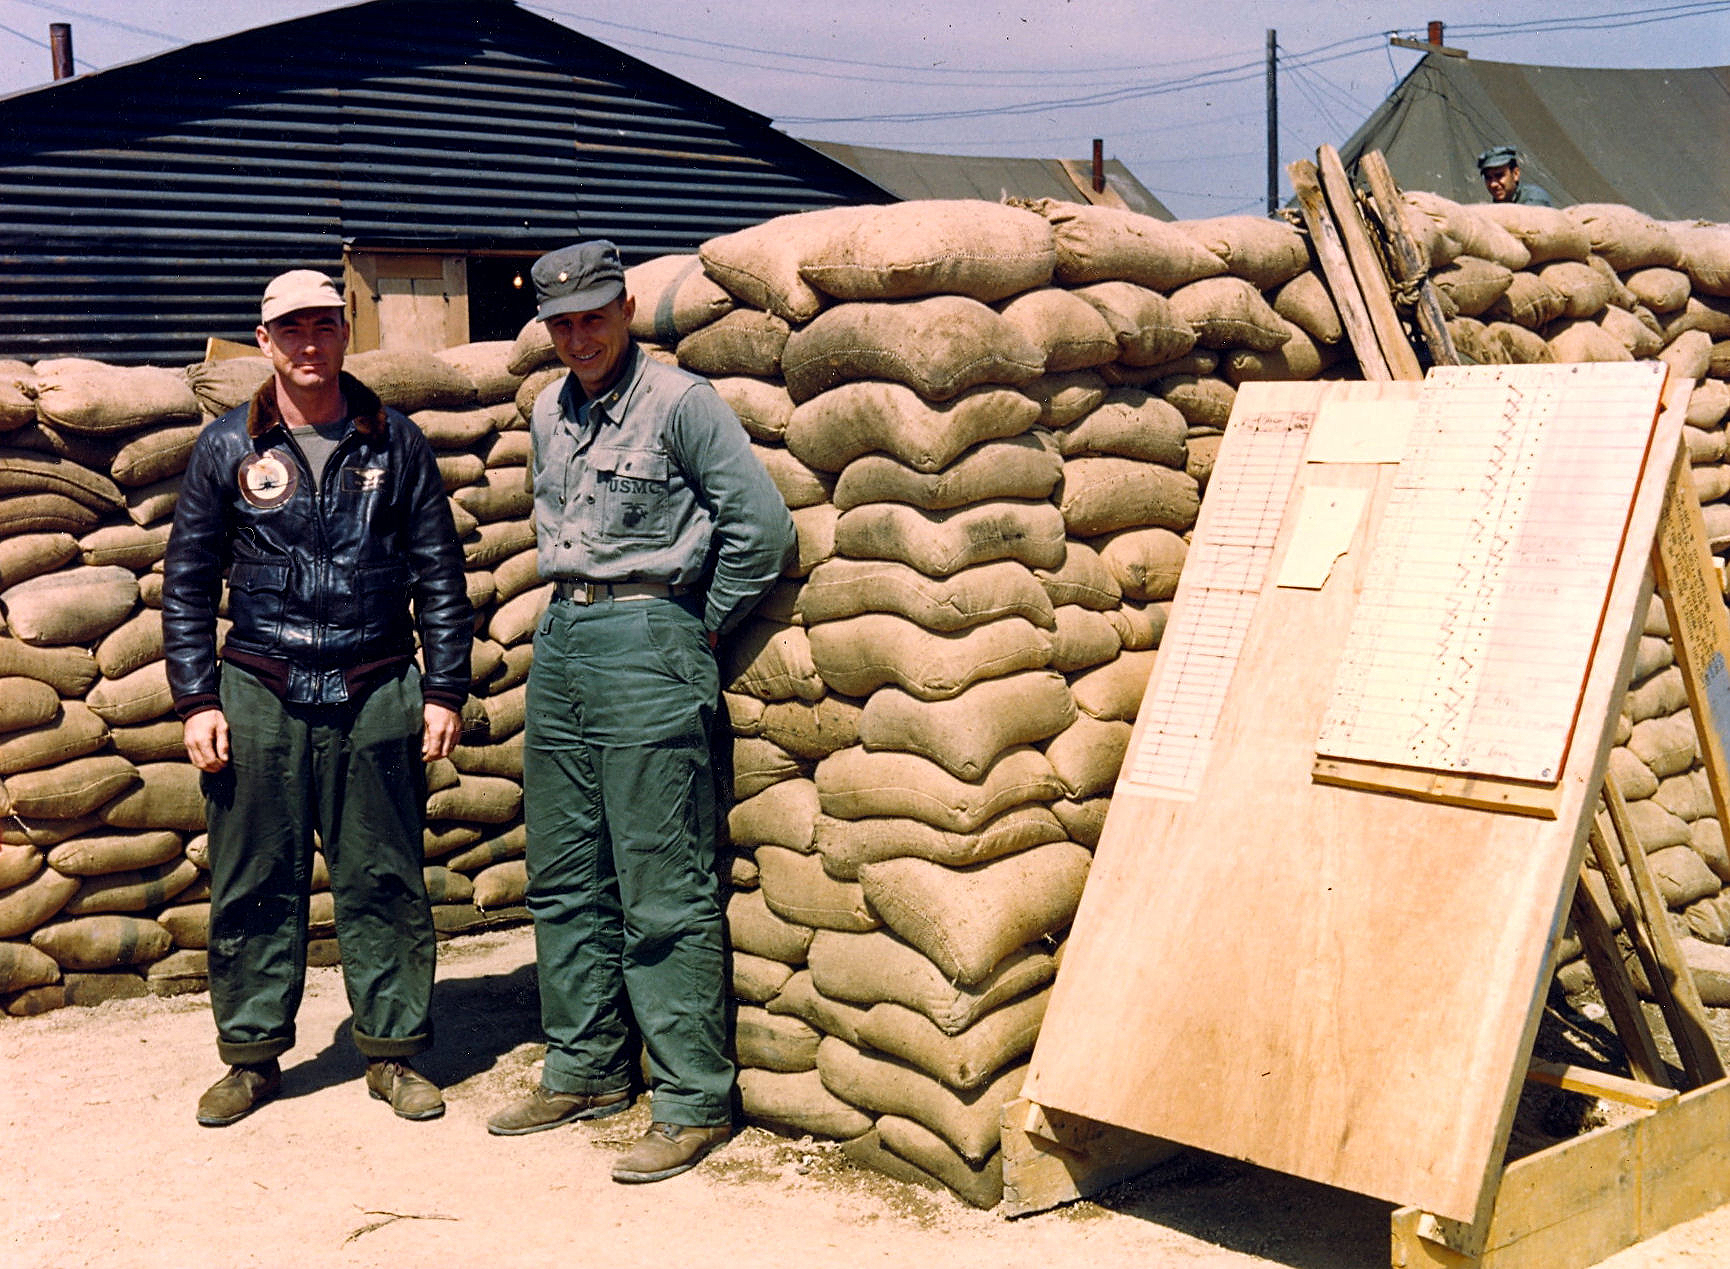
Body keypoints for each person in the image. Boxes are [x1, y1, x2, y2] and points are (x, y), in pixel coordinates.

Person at [486, 241, 794, 1185]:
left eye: (593, 317)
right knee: (566, 868)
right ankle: (584, 1065)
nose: (579, 338)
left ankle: (693, 1097)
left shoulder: (679, 403)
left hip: (646, 636)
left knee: (662, 881)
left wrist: (691, 627)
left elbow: (762, 528)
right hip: (565, 638)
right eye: (561, 323)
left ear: (624, 310)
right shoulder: (547, 409)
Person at [163, 269, 472, 1127]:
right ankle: (254, 1057)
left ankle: (395, 1052)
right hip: (259, 685)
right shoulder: (228, 446)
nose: (309, 344)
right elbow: (187, 583)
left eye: (324, 327)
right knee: (255, 873)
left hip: (376, 684)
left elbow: (439, 574)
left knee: (383, 873)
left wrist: (443, 685)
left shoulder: (394, 442)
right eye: (290, 330)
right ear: (263, 341)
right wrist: (197, 699)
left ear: (346, 334)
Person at [1477, 145, 1554, 207]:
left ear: (1515, 174)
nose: (1493, 184)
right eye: (1488, 178)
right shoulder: (1497, 205)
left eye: (1499, 175)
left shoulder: (1535, 197)